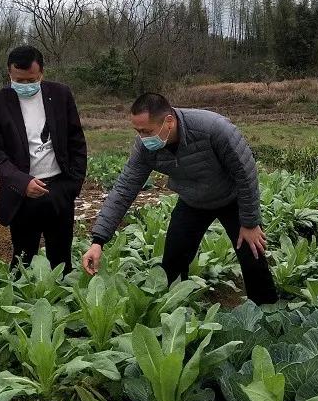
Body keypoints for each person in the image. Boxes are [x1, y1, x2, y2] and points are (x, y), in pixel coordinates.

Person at [81, 93, 279, 305]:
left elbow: (245, 172)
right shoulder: (145, 148)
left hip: (231, 199)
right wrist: (98, 241)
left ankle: (268, 314)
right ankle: (174, 315)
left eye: (146, 131)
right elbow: (124, 189)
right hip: (192, 201)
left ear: (169, 121)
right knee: (173, 262)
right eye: (137, 131)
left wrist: (249, 222)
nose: (142, 138)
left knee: (253, 255)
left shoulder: (213, 128)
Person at [0, 46, 87, 272]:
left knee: (61, 261)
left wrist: (73, 185)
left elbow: (76, 140)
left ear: (41, 73)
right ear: (9, 73)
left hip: (59, 189)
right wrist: (22, 182)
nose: (25, 85)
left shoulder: (61, 95)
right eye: (18, 80)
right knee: (22, 261)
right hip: (22, 194)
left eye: (31, 80)